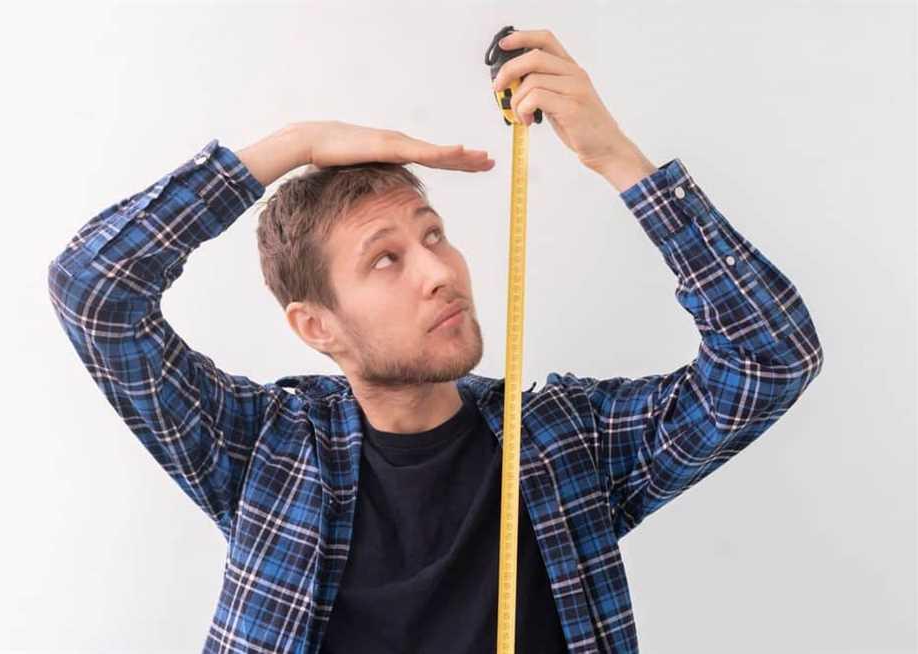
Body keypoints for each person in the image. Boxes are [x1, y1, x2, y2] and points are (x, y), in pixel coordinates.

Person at [48, 28, 823, 654]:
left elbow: (771, 358)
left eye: (434, 235)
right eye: (385, 259)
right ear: (316, 326)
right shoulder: (262, 452)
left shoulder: (565, 444)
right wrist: (297, 142)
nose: (440, 272)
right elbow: (95, 290)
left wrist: (615, 158)